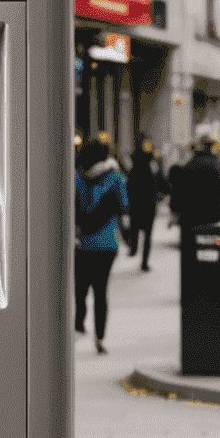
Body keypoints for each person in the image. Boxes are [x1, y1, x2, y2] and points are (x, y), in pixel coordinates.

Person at [74, 138, 128, 354]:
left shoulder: (77, 177)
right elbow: (124, 207)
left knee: (80, 287)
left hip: (82, 243)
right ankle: (99, 338)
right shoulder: (116, 178)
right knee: (101, 291)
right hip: (107, 244)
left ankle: (78, 321)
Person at [167, 134, 220, 235]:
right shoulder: (218, 164)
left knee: (188, 244)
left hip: (190, 215)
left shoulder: (190, 165)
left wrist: (175, 211)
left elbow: (179, 190)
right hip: (214, 214)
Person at [125, 136, 161, 270]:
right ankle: (144, 262)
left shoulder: (134, 165)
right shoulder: (152, 164)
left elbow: (129, 185)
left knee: (134, 228)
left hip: (136, 202)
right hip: (148, 203)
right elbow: (157, 181)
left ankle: (134, 248)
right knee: (147, 234)